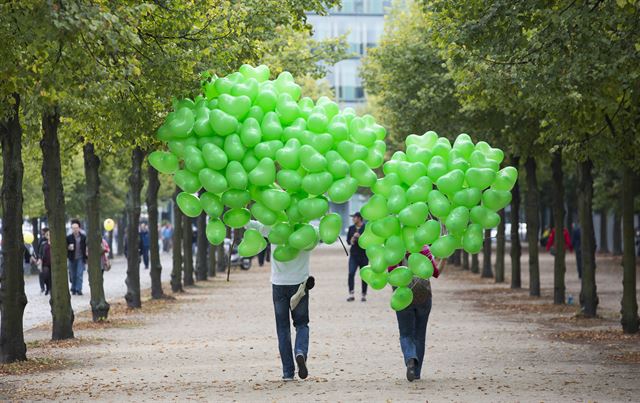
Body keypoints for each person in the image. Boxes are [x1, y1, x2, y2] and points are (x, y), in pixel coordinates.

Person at [247, 220, 314, 381]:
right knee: (301, 324)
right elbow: (325, 233)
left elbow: (251, 225)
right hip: (299, 284)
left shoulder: (274, 228)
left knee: (283, 329)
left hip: (278, 284)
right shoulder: (309, 230)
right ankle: (300, 352)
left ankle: (288, 373)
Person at [390, 245, 442, 382]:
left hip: (402, 297)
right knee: (420, 335)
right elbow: (435, 273)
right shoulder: (424, 249)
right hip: (423, 296)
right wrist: (443, 258)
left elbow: (391, 272)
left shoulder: (395, 247)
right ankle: (417, 373)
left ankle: (410, 359)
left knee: (406, 333)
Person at [346, 212, 368, 302]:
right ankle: (351, 294)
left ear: (359, 218)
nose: (353, 219)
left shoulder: (366, 228)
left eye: (354, 217)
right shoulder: (351, 228)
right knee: (351, 273)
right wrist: (352, 239)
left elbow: (368, 240)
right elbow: (348, 241)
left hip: (364, 255)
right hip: (354, 255)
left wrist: (360, 237)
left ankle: (363, 294)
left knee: (364, 275)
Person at [66, 219, 88, 295]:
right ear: (72, 229)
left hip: (80, 258)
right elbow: (65, 247)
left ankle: (79, 289)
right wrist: (68, 247)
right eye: (73, 228)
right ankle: (73, 288)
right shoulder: (68, 238)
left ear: (79, 228)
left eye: (76, 228)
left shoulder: (83, 237)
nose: (75, 229)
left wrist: (86, 256)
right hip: (72, 258)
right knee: (72, 274)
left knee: (79, 274)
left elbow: (86, 247)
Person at [37, 228, 52, 295]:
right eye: (47, 235)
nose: (49, 236)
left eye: (50, 234)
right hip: (45, 263)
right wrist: (39, 259)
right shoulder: (43, 244)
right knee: (45, 275)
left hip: (53, 263)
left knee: (51, 276)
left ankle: (50, 289)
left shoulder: (55, 244)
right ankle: (47, 287)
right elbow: (40, 253)